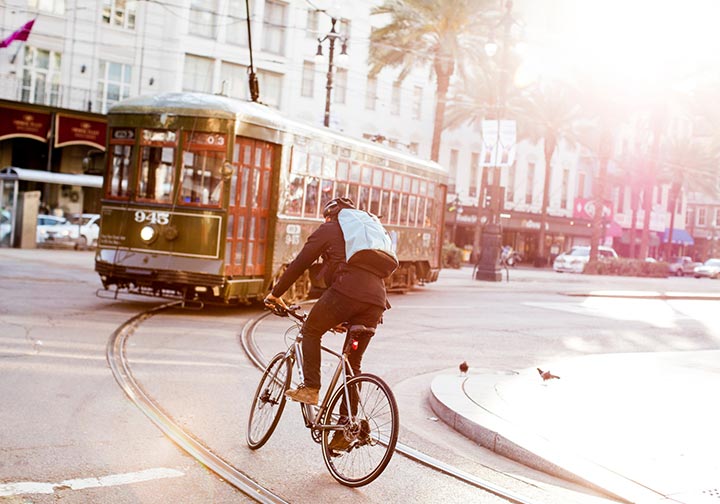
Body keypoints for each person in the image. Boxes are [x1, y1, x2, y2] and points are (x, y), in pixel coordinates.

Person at [264, 197, 388, 409]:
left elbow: (300, 263)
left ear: (331, 215)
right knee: (353, 363)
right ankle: (346, 426)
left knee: (311, 330)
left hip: (346, 292)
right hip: (376, 301)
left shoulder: (329, 229)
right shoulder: (363, 236)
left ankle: (311, 388)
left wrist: (276, 294)